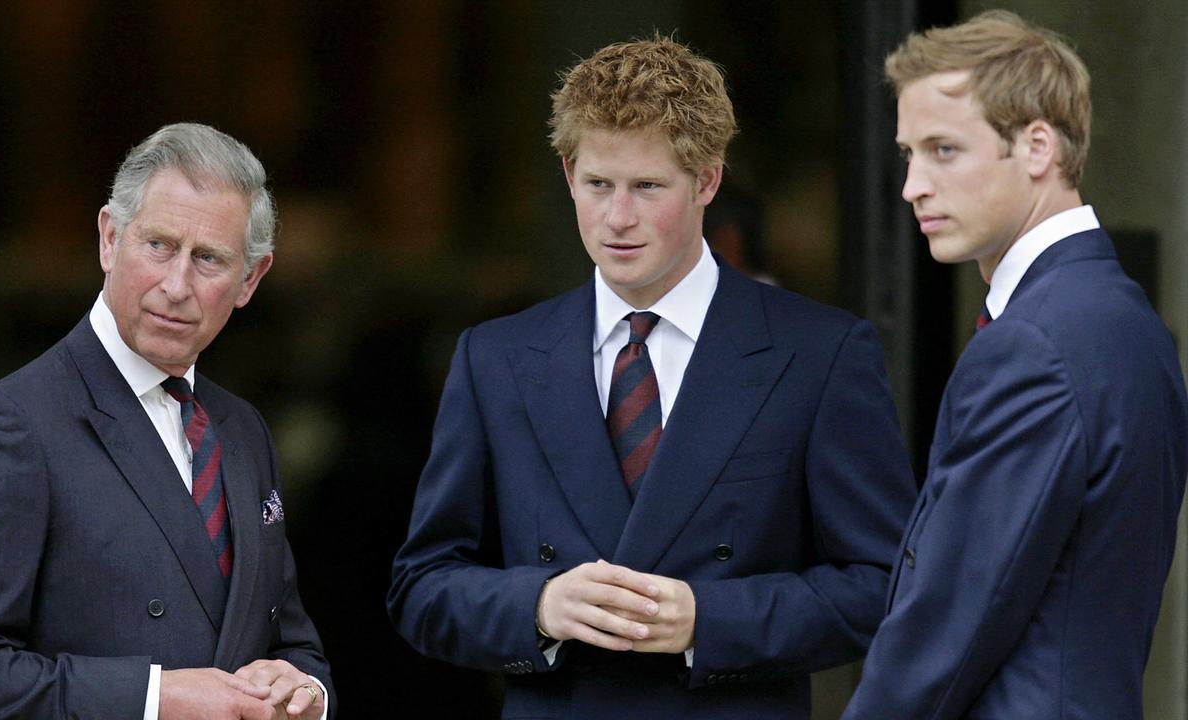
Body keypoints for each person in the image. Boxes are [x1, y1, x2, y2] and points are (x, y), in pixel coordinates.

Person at [387, 36, 916, 718]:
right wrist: (541, 604)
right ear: (568, 171)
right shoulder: (496, 358)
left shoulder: (819, 353)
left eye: (648, 187)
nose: (618, 218)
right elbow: (423, 587)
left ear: (708, 181)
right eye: (598, 184)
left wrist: (708, 619)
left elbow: (884, 585)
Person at [0, 123, 333, 719]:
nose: (177, 285)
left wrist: (305, 692)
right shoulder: (11, 425)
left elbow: (290, 642)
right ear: (109, 238)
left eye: (209, 258)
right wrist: (157, 699)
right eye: (158, 245)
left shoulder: (241, 430)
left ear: (250, 280)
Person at [842, 11, 1188, 719]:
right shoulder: (1121, 317)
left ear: (1037, 147)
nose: (912, 185)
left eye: (943, 150)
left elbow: (952, 615)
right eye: (909, 153)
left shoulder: (1037, 341)